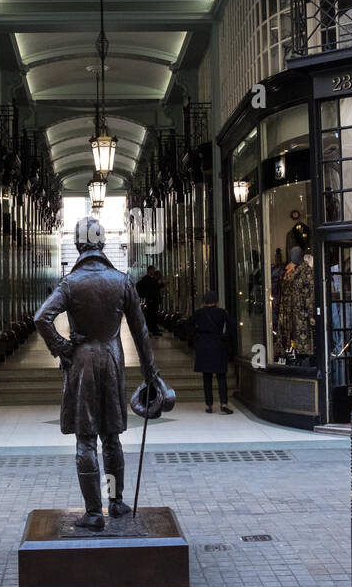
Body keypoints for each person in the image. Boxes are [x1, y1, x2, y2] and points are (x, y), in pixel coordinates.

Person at [36, 217, 168, 531]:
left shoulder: (70, 282)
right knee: (111, 437)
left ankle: (94, 512)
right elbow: (141, 331)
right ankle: (117, 501)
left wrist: (62, 347)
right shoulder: (121, 281)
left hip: (82, 362)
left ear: (80, 244)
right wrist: (151, 373)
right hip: (112, 359)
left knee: (85, 440)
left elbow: (42, 317)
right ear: (102, 242)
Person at [188, 290, 234, 414]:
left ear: (204, 302)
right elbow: (232, 324)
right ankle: (223, 403)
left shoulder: (199, 313)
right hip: (218, 345)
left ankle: (209, 405)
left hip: (204, 346)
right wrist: (225, 336)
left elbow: (188, 324)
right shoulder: (221, 313)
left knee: (207, 377)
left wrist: (196, 336)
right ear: (216, 302)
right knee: (221, 377)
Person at [136, 264, 162, 336]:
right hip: (151, 300)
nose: (153, 271)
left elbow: (155, 287)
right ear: (149, 271)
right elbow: (152, 288)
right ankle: (152, 330)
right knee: (151, 315)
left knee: (154, 315)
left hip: (153, 300)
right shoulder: (147, 279)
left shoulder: (152, 279)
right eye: (152, 270)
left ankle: (154, 329)